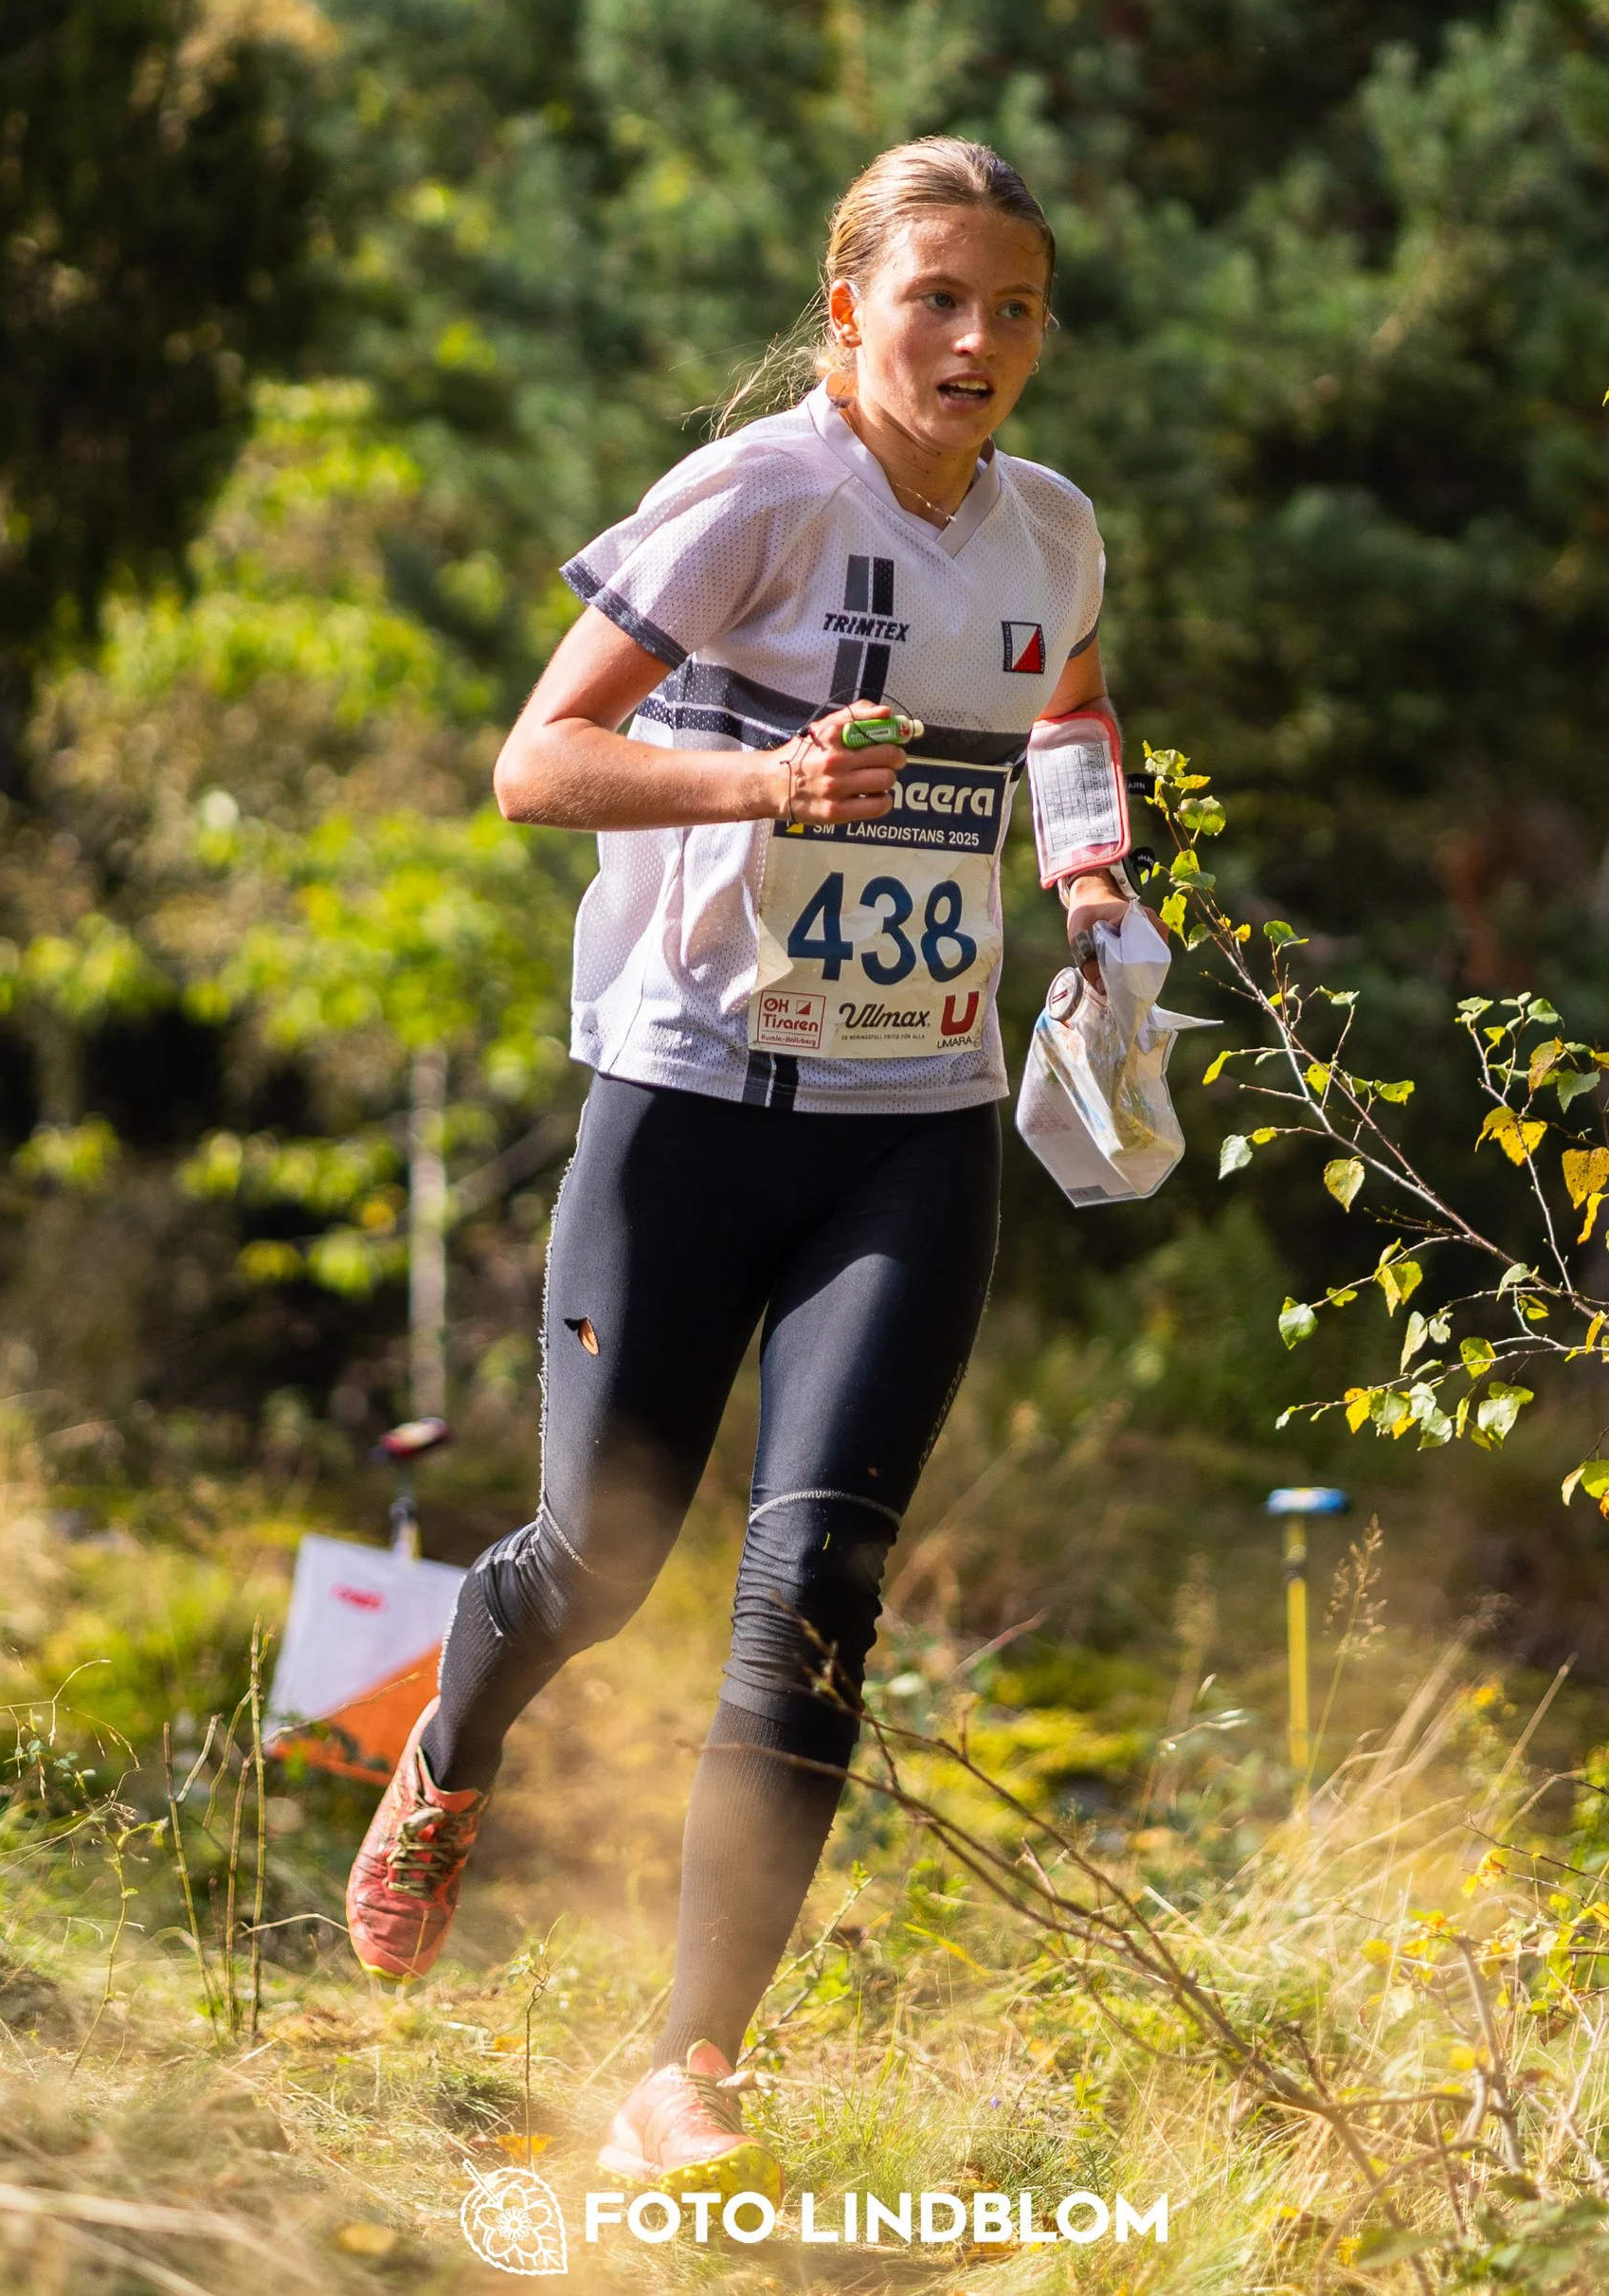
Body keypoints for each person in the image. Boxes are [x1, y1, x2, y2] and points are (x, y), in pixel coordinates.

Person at [342, 136, 1131, 2199]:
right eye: (935, 298)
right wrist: (762, 778)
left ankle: (685, 2065)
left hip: (914, 1126)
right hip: (689, 1099)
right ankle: (446, 1741)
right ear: (849, 307)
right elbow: (535, 763)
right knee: (597, 1563)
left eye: (1015, 307)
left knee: (818, 1588)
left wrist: (1090, 875)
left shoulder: (1049, 528)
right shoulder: (757, 494)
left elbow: (1068, 711)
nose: (975, 341)